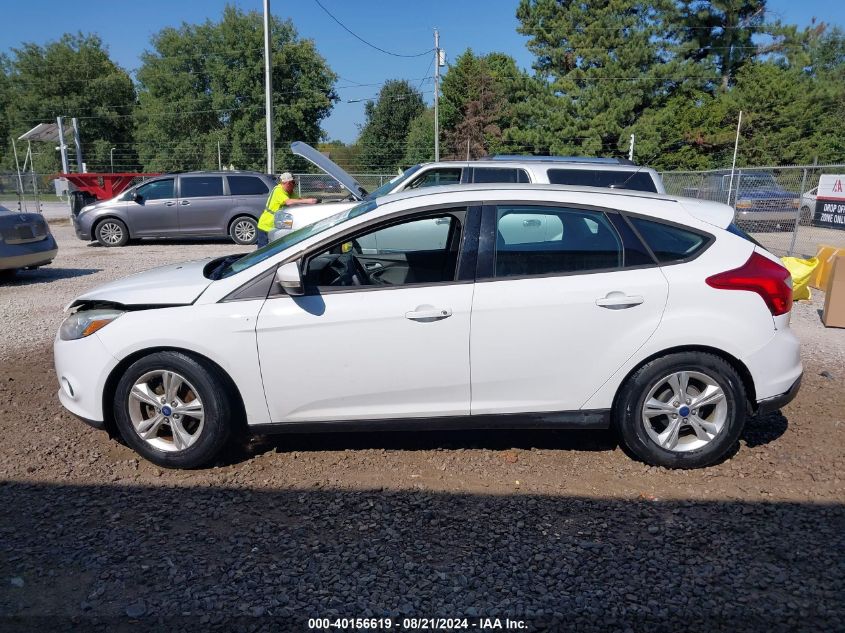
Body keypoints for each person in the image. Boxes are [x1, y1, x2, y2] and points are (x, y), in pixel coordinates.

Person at [255, 172, 318, 248]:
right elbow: (288, 202)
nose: (295, 184)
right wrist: (308, 201)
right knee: (264, 251)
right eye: (293, 182)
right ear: (287, 183)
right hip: (266, 226)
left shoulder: (290, 192)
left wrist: (312, 202)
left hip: (278, 225)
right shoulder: (278, 190)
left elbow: (299, 200)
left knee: (280, 249)